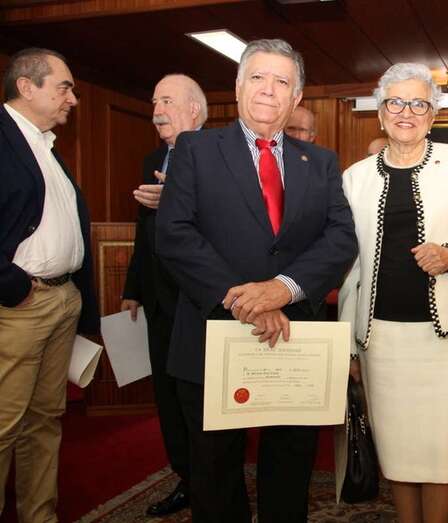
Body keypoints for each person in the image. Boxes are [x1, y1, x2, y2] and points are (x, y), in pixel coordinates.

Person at [155, 38, 357, 523]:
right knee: (214, 474)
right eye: (258, 77)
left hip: (295, 338)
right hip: (211, 334)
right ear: (239, 85)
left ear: (297, 98)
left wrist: (283, 288)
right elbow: (175, 234)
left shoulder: (321, 162)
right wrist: (246, 300)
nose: (269, 90)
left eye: (282, 81)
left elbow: (341, 239)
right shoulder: (195, 149)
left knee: (289, 468)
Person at [338, 62, 448, 523]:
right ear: (381, 114)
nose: (407, 111)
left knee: (443, 450)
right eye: (396, 102)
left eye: (419, 103)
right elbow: (351, 270)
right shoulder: (355, 177)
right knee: (398, 448)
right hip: (382, 339)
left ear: (433, 114)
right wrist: (349, 343)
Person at [0, 48, 99, 522]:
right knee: (4, 426)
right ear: (26, 86)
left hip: (61, 301)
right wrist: (12, 286)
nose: (73, 99)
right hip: (21, 305)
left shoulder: (45, 143)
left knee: (45, 422)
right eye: (64, 86)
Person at [119, 73, 207, 517]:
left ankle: (210, 485)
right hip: (158, 303)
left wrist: (174, 198)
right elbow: (144, 230)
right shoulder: (154, 157)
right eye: (154, 101)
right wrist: (133, 287)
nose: (156, 111)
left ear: (194, 109)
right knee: (168, 401)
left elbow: (224, 228)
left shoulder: (217, 156)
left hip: (199, 304)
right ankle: (187, 480)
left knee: (198, 403)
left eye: (167, 101)